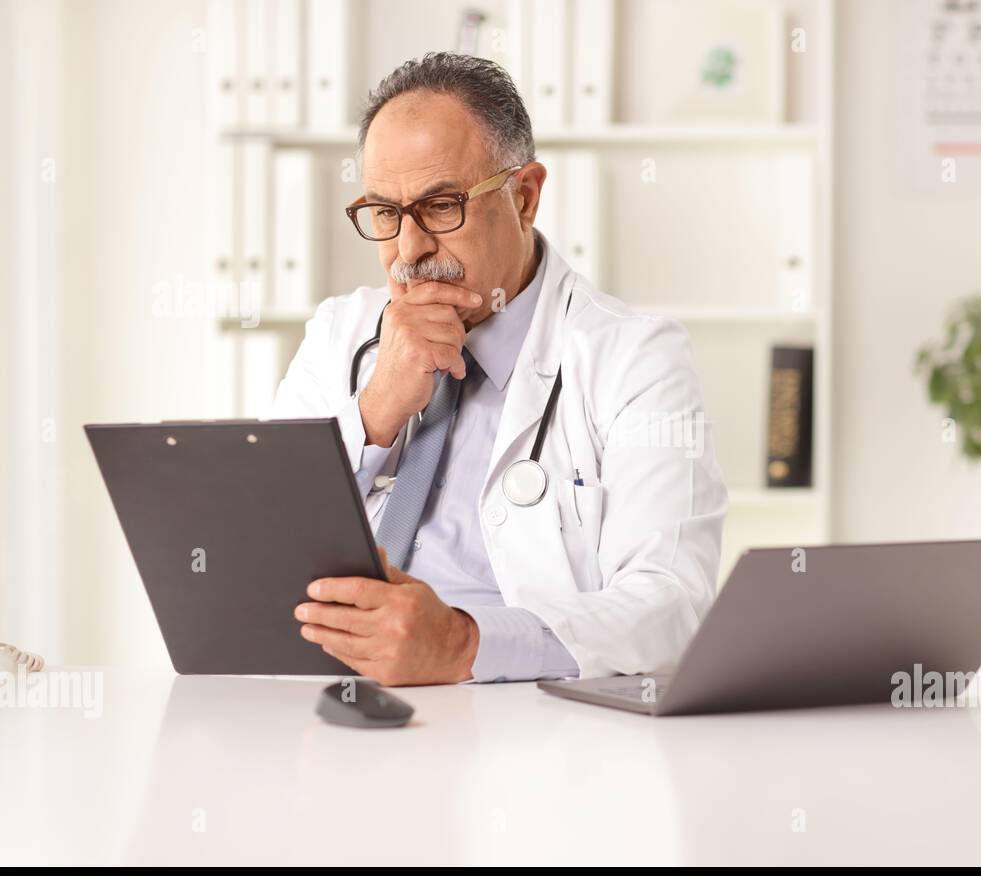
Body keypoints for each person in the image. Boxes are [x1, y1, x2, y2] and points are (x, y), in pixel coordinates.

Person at [271, 53, 728, 686]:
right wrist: (375, 411)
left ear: (525, 195)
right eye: (384, 212)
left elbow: (669, 605)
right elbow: (259, 541)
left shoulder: (634, 357)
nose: (408, 251)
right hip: (325, 702)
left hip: (523, 729)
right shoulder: (338, 335)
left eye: (440, 207)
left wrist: (463, 645)